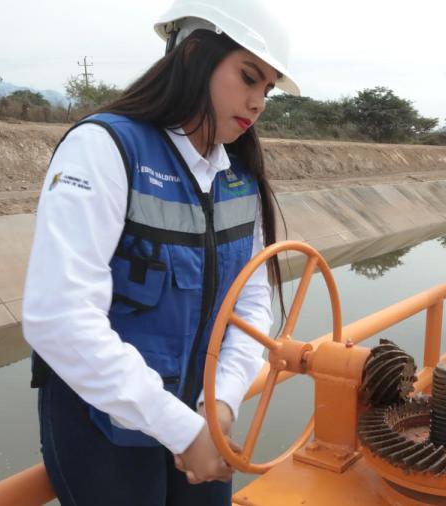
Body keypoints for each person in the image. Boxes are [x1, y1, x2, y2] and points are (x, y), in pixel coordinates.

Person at [21, 1, 299, 504]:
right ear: (194, 53)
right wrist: (182, 429)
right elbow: (59, 317)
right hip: (103, 427)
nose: (258, 102)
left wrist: (220, 406)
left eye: (268, 89)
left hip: (201, 418)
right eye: (248, 77)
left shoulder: (239, 177)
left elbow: (250, 306)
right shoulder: (105, 149)